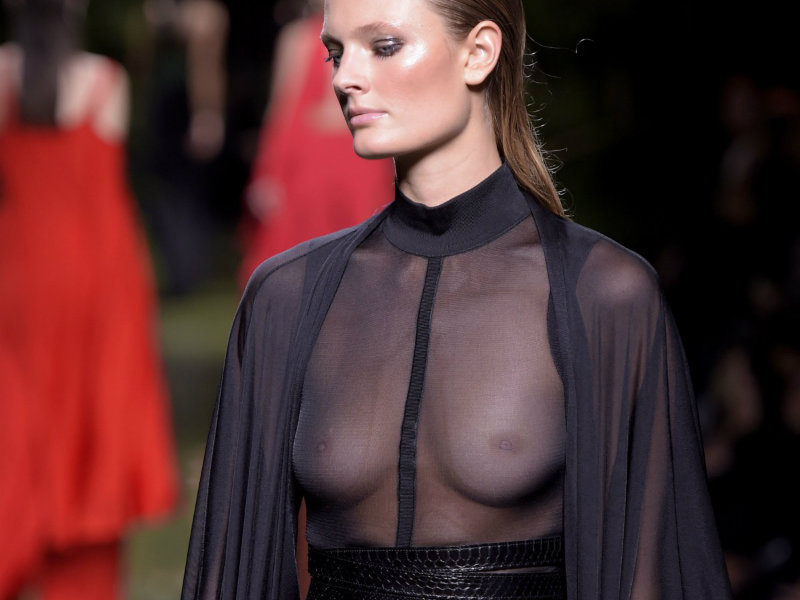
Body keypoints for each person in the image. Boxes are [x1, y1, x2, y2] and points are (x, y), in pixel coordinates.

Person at [180, 0, 733, 598]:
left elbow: (652, 572)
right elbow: (231, 577)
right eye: (335, 53)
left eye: (384, 46)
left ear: (479, 53)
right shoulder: (285, 297)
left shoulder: (605, 295)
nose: (344, 79)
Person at [0, 0, 178, 598]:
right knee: (92, 413)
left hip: (18, 275)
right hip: (98, 278)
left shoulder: (2, 77)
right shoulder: (106, 81)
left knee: (19, 414)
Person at [237, 0, 394, 287]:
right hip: (328, 157)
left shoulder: (375, 33)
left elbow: (282, 110)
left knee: (360, 261)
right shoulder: (375, 35)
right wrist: (269, 173)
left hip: (354, 156)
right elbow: (284, 109)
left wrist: (269, 172)